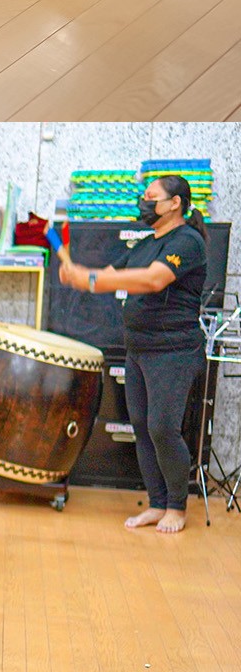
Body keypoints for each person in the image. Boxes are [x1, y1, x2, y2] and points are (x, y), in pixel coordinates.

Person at [57, 174, 210, 533]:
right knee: (141, 426)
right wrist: (80, 275)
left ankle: (177, 507)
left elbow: (153, 280)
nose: (144, 203)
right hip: (139, 348)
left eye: (151, 197)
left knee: (162, 428)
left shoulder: (187, 241)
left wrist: (92, 279)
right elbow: (111, 274)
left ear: (175, 203)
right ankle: (157, 504)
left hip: (173, 351)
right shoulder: (144, 243)